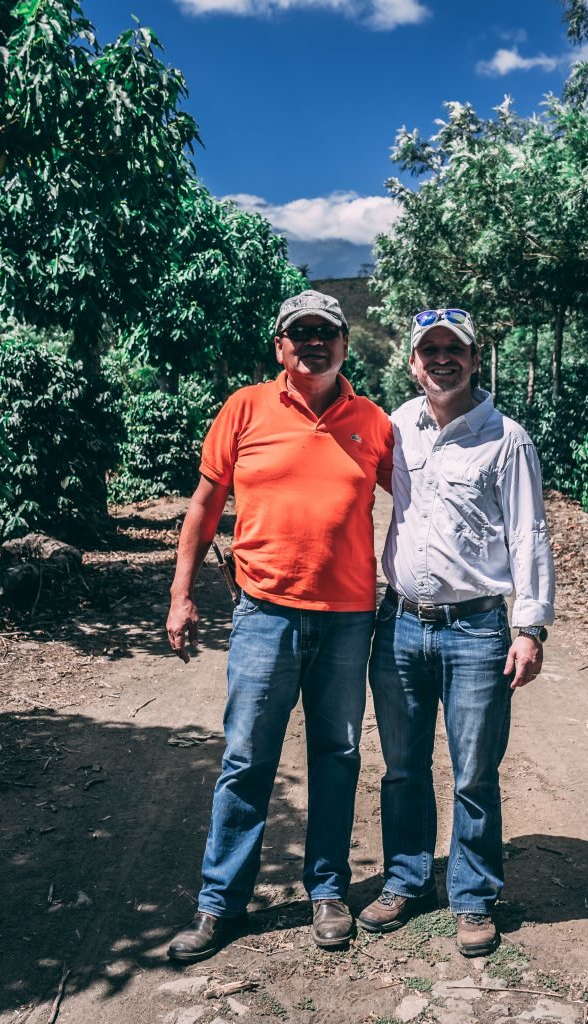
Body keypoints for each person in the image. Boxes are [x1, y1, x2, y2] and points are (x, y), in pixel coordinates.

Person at [166, 290, 393, 962]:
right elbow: (204, 507)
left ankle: (326, 890)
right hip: (264, 613)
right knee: (245, 759)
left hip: (349, 618)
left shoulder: (373, 422)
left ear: (345, 345)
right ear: (279, 346)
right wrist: (181, 594)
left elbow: (421, 500)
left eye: (326, 332)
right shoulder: (244, 408)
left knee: (337, 755)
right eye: (300, 333)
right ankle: (219, 904)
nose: (313, 343)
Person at [358, 308, 555, 957]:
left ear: (473, 357)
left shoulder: (505, 437)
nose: (440, 360)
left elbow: (527, 534)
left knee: (474, 770)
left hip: (475, 630)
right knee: (402, 767)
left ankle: (471, 897)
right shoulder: (395, 429)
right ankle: (408, 880)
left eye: (453, 349)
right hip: (399, 624)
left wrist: (529, 625)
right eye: (428, 351)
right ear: (411, 362)